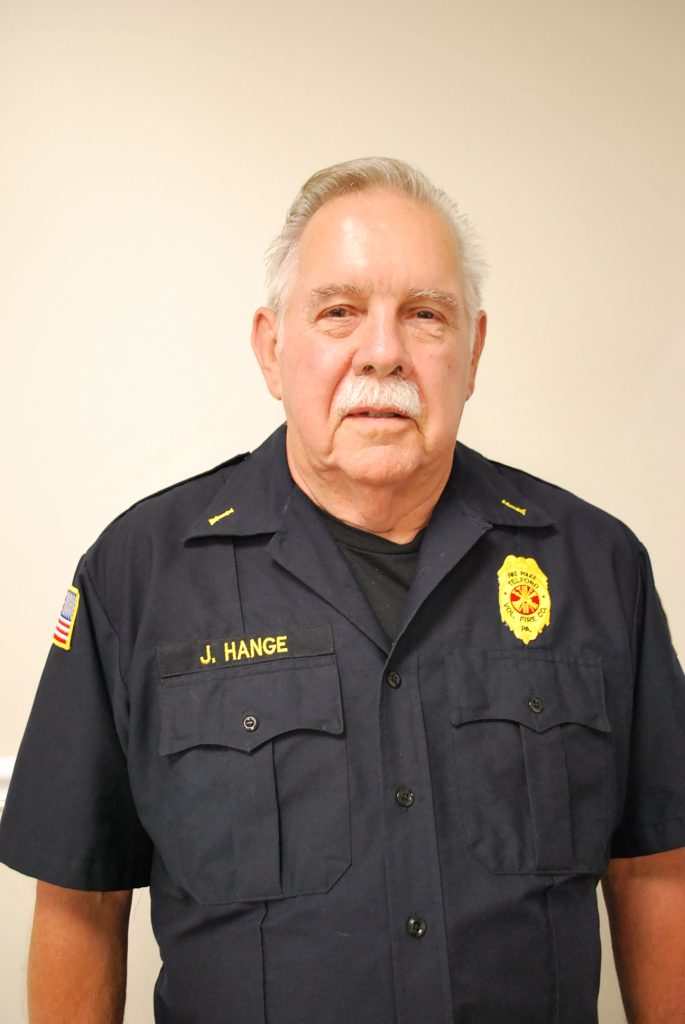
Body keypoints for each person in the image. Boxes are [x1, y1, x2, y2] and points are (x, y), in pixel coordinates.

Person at [1, 157, 684, 1024]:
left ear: (472, 351)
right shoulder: (137, 575)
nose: (384, 352)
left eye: (425, 315)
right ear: (271, 347)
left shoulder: (596, 565)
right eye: (338, 312)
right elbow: (81, 899)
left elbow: (655, 866)